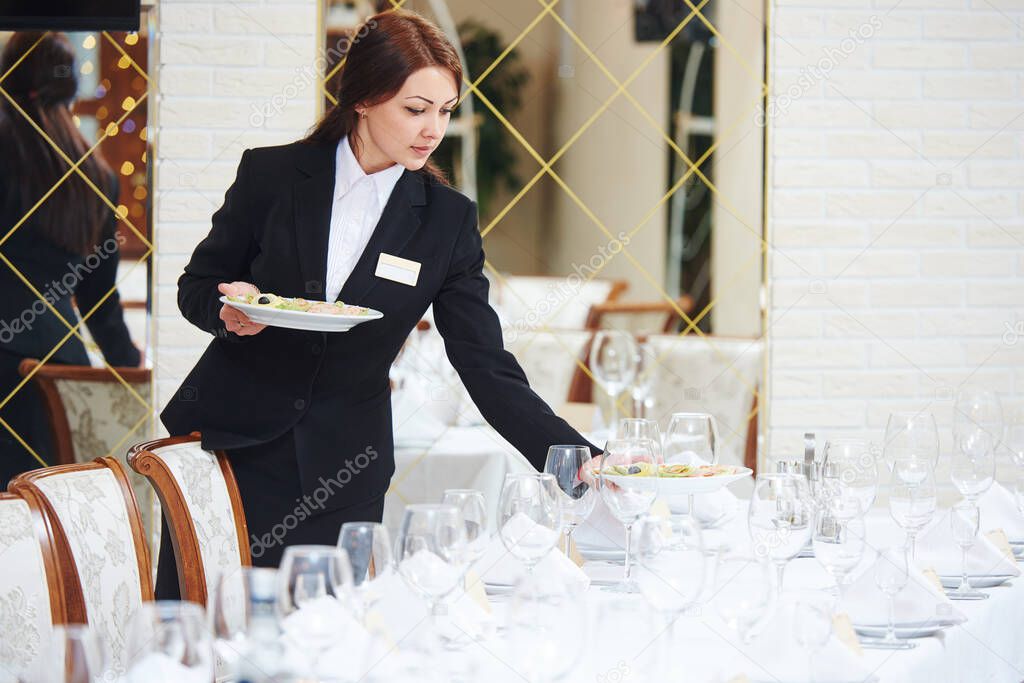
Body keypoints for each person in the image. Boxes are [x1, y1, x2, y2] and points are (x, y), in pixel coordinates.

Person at [159, 9, 597, 593]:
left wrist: (573, 456)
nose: (432, 130)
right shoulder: (274, 175)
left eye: (444, 111)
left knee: (320, 648)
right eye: (415, 110)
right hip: (229, 451)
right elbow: (198, 284)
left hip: (342, 468)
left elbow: (484, 363)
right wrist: (227, 308)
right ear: (363, 99)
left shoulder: (448, 221)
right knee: (200, 638)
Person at [0, 32, 141, 486]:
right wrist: (129, 370)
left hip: (7, 367)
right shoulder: (95, 173)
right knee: (44, 526)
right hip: (60, 375)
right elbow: (100, 299)